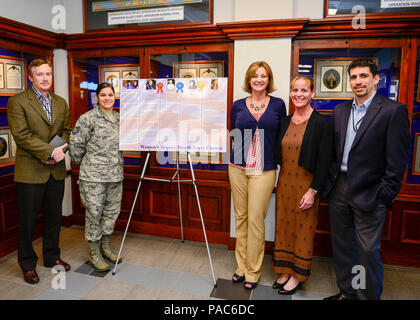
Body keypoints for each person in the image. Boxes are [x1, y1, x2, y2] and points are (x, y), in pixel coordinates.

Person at [323, 58, 410, 300]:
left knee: (367, 250)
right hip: (339, 186)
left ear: (375, 79)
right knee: (342, 247)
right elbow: (333, 152)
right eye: (353, 77)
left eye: (363, 76)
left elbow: (398, 159)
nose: (358, 81)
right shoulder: (340, 111)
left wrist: (384, 195)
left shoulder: (392, 111)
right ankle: (347, 292)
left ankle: (366, 297)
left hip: (371, 191)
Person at [7, 58, 72, 284]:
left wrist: (57, 152)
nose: (45, 78)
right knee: (28, 221)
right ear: (31, 77)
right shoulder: (18, 102)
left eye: (48, 74)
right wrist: (49, 152)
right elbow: (22, 136)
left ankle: (52, 257)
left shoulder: (60, 102)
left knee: (54, 218)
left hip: (56, 170)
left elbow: (67, 130)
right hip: (30, 172)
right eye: (40, 74)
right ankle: (27, 264)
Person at [272, 76, 332, 295]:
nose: (299, 94)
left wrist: (313, 190)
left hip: (307, 186)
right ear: (290, 93)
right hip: (285, 183)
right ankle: (285, 270)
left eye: (304, 90)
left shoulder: (320, 123)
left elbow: (325, 161)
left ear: (312, 93)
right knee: (284, 227)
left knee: (303, 229)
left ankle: (298, 275)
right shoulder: (285, 121)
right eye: (295, 90)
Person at [229, 61, 286, 289]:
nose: (259, 79)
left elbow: (281, 135)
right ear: (249, 80)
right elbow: (233, 132)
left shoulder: (278, 105)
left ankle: (253, 270)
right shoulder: (237, 105)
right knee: (241, 218)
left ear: (268, 80)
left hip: (264, 169)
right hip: (238, 168)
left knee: (255, 219)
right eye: (255, 76)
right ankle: (241, 267)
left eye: (263, 76)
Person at [69, 83, 124, 272]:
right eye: (103, 95)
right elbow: (75, 147)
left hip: (115, 175)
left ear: (115, 97)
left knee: (111, 213)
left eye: (110, 94)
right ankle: (94, 252)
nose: (107, 98)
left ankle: (106, 247)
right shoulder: (87, 119)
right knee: (94, 214)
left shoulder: (120, 119)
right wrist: (88, 165)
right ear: (97, 98)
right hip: (93, 178)